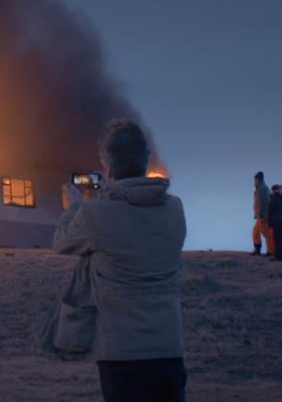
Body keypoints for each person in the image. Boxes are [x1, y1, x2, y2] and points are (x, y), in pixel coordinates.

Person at [54, 119, 187, 402]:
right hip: (169, 348)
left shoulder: (95, 213)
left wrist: (74, 206)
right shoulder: (175, 209)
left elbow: (62, 243)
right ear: (145, 160)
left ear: (108, 166)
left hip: (121, 352)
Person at [251, 171, 274, 256]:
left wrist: (262, 216)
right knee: (255, 231)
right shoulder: (260, 188)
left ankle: (271, 251)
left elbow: (263, 203)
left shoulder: (263, 189)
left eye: (254, 179)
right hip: (259, 215)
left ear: (257, 179)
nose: (254, 181)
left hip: (263, 215)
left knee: (266, 233)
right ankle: (257, 249)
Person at [266, 184, 282, 261]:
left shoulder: (273, 198)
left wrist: (269, 222)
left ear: (274, 190)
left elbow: (270, 211)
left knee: (277, 238)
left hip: (276, 221)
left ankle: (278, 256)